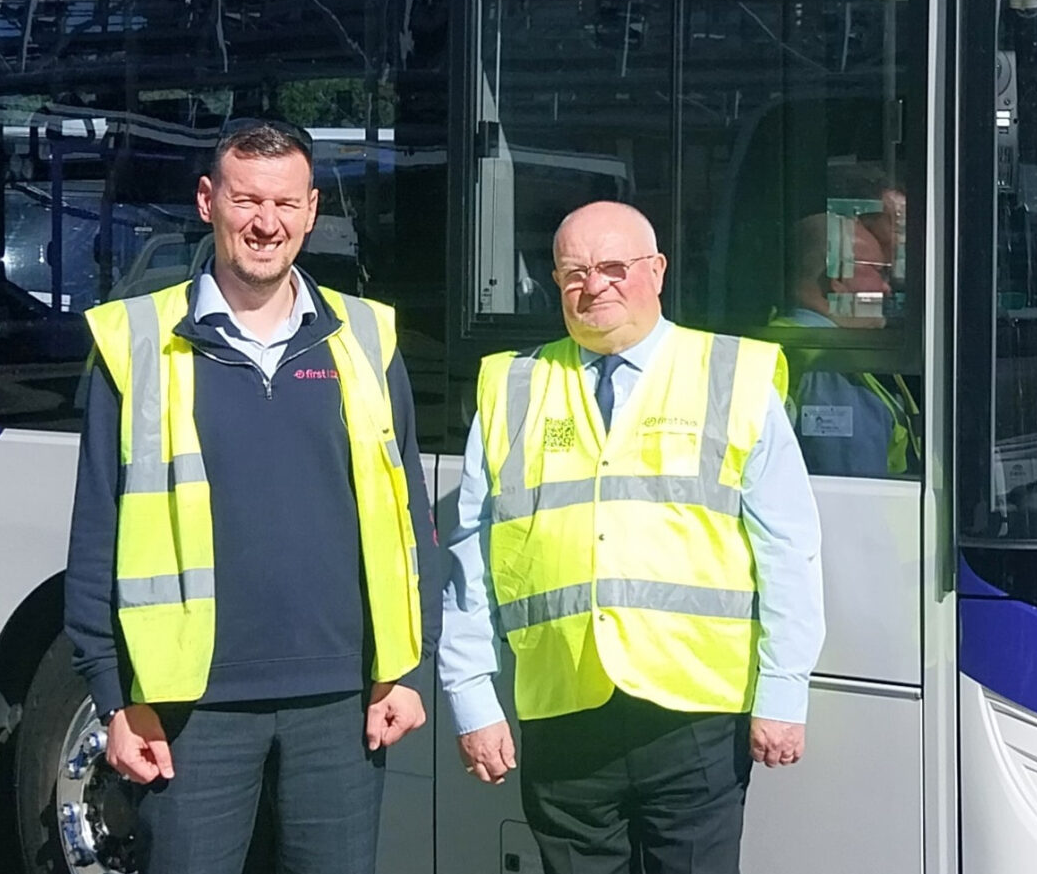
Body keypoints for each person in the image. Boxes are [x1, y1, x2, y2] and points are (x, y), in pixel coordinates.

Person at [63, 119, 436, 874]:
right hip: (192, 708)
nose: (266, 223)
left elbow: (407, 519)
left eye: (286, 203)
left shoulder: (366, 337)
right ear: (208, 201)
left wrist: (402, 667)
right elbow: (96, 529)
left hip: (340, 702)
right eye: (246, 200)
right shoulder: (137, 341)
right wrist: (113, 695)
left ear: (311, 209)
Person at [442, 201, 824, 874]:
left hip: (696, 716)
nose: (595, 286)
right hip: (564, 715)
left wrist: (784, 691)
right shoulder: (513, 386)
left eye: (615, 267)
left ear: (657, 270)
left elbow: (788, 546)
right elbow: (469, 553)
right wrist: (473, 696)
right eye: (574, 272)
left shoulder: (731, 376)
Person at [780, 211, 920, 477]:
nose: (886, 288)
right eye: (879, 272)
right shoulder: (830, 364)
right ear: (838, 276)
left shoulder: (782, 339)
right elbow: (855, 488)